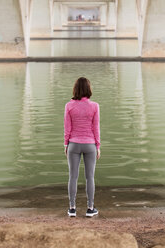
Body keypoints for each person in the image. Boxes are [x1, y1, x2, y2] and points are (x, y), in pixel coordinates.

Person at [64, 77, 101, 217]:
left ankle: (72, 208)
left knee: (72, 176)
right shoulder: (95, 106)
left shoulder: (69, 106)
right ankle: (90, 209)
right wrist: (98, 145)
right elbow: (95, 127)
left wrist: (66, 144)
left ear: (75, 89)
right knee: (89, 177)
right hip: (90, 144)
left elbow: (67, 127)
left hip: (73, 144)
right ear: (88, 89)